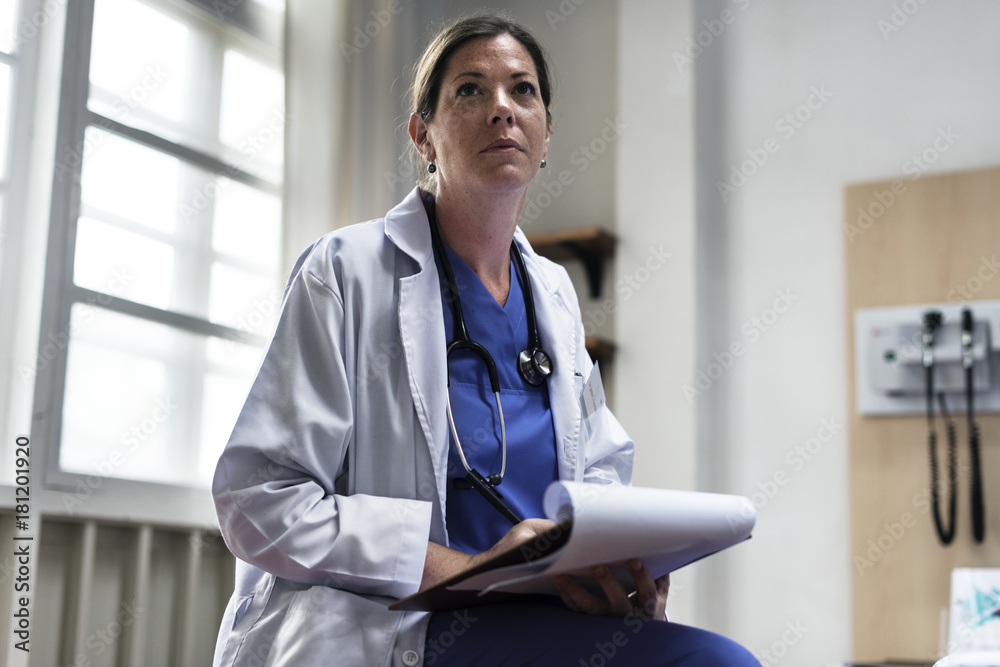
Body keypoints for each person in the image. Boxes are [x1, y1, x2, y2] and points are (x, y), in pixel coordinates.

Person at [211, 13, 760, 667]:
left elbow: (600, 471)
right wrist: (460, 566)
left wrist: (613, 563)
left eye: (522, 90)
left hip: (540, 610)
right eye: (470, 90)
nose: (502, 108)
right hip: (395, 623)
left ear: (547, 132)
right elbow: (257, 498)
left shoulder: (551, 292)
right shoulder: (346, 271)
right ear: (424, 135)